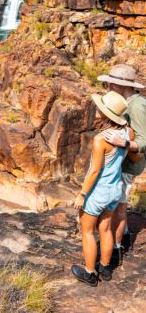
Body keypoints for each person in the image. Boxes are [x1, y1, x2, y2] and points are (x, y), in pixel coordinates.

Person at [72, 91, 135, 287]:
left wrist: (82, 195)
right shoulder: (127, 133)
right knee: (106, 228)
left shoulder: (101, 140)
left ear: (107, 114)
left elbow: (94, 171)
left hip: (98, 192)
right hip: (115, 189)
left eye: (100, 109)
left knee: (88, 231)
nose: (96, 111)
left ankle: (90, 274)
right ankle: (105, 268)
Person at [98, 64, 146, 265]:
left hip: (127, 167)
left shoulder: (136, 105)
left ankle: (115, 251)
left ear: (122, 85)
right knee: (117, 205)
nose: (108, 85)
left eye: (111, 82)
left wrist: (122, 143)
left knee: (118, 208)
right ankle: (122, 236)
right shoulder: (127, 102)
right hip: (121, 164)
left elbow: (144, 141)